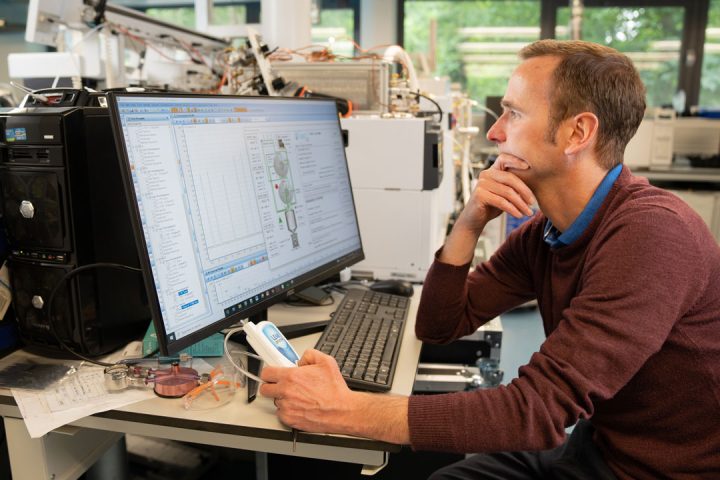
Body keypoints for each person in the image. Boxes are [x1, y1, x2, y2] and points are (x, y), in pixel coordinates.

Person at [260, 39, 720, 479]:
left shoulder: (652, 234)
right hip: (598, 451)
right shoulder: (548, 233)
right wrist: (469, 222)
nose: (494, 131)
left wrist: (347, 411)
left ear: (577, 132)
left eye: (513, 113)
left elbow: (536, 412)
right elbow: (438, 327)